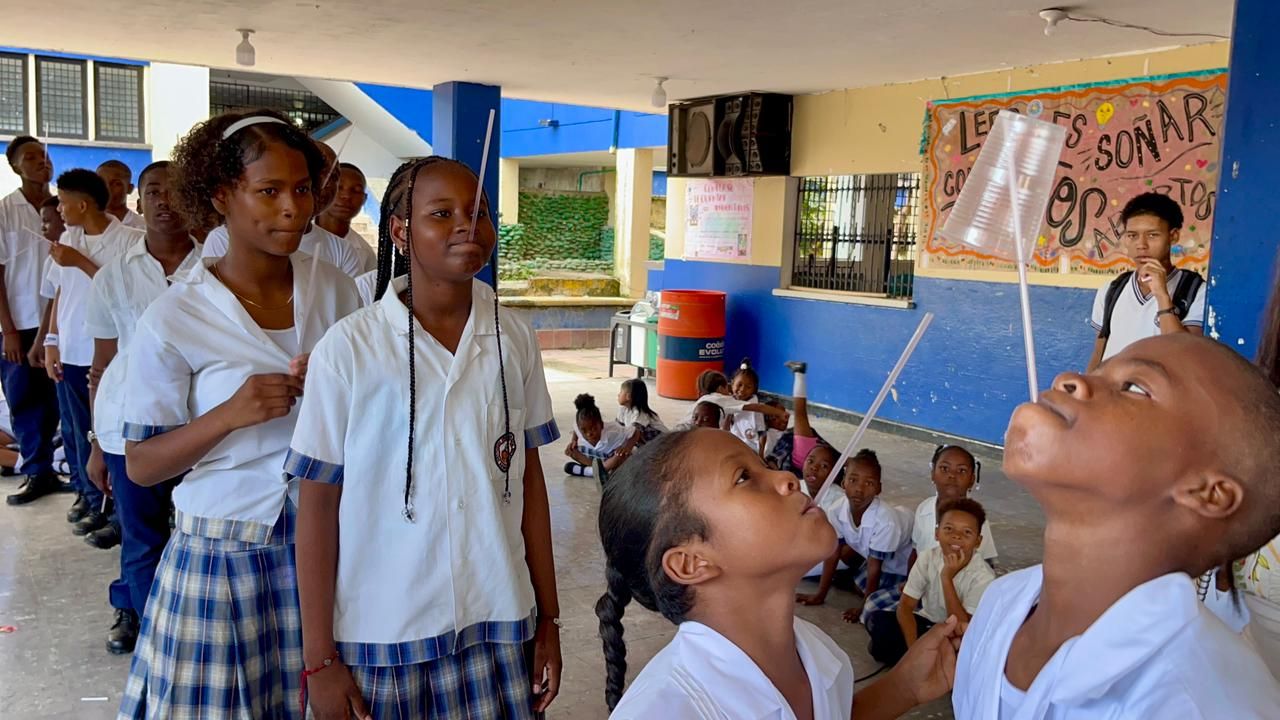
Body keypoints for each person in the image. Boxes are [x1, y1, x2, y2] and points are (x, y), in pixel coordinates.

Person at [290, 156, 562, 719]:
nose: (467, 225)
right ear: (400, 230)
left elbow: (528, 481)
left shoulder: (513, 337)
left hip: (499, 618)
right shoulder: (350, 349)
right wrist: (319, 660)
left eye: (479, 212)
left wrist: (549, 620)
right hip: (386, 632)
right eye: (442, 213)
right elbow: (317, 505)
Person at [117, 110, 360, 720]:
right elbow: (143, 466)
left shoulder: (336, 290)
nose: (292, 209)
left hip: (327, 544)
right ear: (222, 196)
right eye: (269, 191)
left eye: (302, 188)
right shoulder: (176, 317)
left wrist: (333, 390)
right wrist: (228, 414)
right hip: (220, 560)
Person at [954, 334, 1280, 718]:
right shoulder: (1001, 604)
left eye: (1134, 387)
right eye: (1100, 369)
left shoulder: (1198, 701)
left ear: (1207, 493)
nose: (1070, 379)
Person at [596, 429, 964, 718]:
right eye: (743, 478)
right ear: (691, 563)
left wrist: (904, 687)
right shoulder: (668, 710)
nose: (788, 476)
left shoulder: (816, 651)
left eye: (765, 466)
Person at [84, 161, 200, 655]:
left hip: (201, 425)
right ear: (138, 200)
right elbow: (101, 365)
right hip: (127, 424)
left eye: (175, 192)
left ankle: (185, 621)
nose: (164, 201)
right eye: (154, 191)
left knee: (192, 534)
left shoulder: (215, 269)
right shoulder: (114, 276)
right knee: (141, 533)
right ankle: (146, 624)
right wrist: (94, 443)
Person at [43, 168, 144, 538]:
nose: (58, 208)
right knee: (75, 429)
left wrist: (80, 262)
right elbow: (59, 294)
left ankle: (118, 511)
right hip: (71, 349)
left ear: (83, 204)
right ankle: (89, 498)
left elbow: (127, 292)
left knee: (110, 433)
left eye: (63, 202)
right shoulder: (66, 239)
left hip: (110, 354)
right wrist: (52, 342)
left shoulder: (131, 240)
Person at [0, 136, 65, 506]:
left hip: (61, 318)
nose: (41, 162)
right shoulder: (5, 210)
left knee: (59, 399)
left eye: (44, 156)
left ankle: (63, 469)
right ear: (15, 167)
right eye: (31, 158)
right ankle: (37, 471)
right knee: (23, 398)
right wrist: (7, 329)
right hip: (20, 322)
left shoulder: (64, 207)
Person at [198, 144, 366, 279]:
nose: (324, 183)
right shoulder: (222, 239)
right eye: (270, 191)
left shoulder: (343, 253)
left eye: (333, 176)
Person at [867, 498, 995, 666]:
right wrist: (915, 651)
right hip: (928, 625)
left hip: (958, 636)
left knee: (966, 654)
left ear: (978, 541)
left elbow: (961, 627)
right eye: (948, 529)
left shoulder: (984, 576)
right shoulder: (928, 557)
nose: (956, 536)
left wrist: (946, 578)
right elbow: (905, 606)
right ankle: (924, 660)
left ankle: (931, 662)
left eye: (967, 533)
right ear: (937, 533)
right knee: (877, 620)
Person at [1086, 192, 1205, 371]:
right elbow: (1099, 353)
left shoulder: (1196, 291)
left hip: (1161, 398)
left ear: (1173, 236)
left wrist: (1162, 296)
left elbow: (1185, 354)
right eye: (1132, 235)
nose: (1141, 245)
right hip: (1114, 396)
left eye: (1152, 235)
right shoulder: (1111, 290)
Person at [796, 450, 914, 624]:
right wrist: (820, 595)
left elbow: (875, 568)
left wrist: (863, 607)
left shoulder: (886, 522)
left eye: (869, 483)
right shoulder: (837, 510)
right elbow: (833, 553)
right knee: (861, 586)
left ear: (879, 489)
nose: (859, 489)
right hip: (878, 560)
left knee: (877, 605)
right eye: (853, 480)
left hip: (906, 565)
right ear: (843, 483)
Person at [910, 445, 997, 569]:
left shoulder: (975, 518)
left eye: (961, 470)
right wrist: (910, 582)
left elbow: (986, 564)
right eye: (944, 468)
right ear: (933, 474)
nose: (952, 475)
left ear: (972, 480)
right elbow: (915, 551)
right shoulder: (924, 508)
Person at [765, 361, 833, 481]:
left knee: (800, 414)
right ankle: (799, 373)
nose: (783, 418)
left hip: (800, 461)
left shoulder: (787, 436)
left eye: (782, 413)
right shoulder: (768, 437)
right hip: (800, 460)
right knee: (800, 412)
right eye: (775, 417)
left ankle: (799, 373)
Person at [315, 161, 376, 274]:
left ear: (364, 199)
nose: (346, 196)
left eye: (356, 190)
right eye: (339, 187)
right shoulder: (299, 237)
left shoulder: (365, 254)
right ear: (323, 191)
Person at [566, 392, 633, 478]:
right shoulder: (579, 426)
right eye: (584, 430)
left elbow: (635, 432)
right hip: (598, 457)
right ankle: (598, 471)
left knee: (621, 456)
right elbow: (576, 429)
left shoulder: (614, 431)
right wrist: (573, 441)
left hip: (612, 455)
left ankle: (589, 471)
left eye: (593, 428)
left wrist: (627, 448)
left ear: (601, 424)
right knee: (572, 451)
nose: (589, 433)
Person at [726, 358, 765, 448]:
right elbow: (724, 428)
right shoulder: (728, 402)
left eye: (748, 387)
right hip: (731, 444)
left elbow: (762, 432)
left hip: (750, 447)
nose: (742, 389)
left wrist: (761, 454)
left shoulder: (756, 408)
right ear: (732, 384)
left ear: (754, 390)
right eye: (739, 385)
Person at [97, 160, 147, 230]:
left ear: (130, 188)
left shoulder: (144, 228)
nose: (107, 188)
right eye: (101, 182)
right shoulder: (82, 225)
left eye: (116, 184)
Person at [616, 377, 665, 445]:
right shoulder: (623, 410)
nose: (618, 395)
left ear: (628, 396)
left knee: (635, 433)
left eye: (621, 392)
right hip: (648, 444)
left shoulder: (640, 413)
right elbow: (617, 428)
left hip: (663, 443)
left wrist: (627, 447)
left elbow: (636, 433)